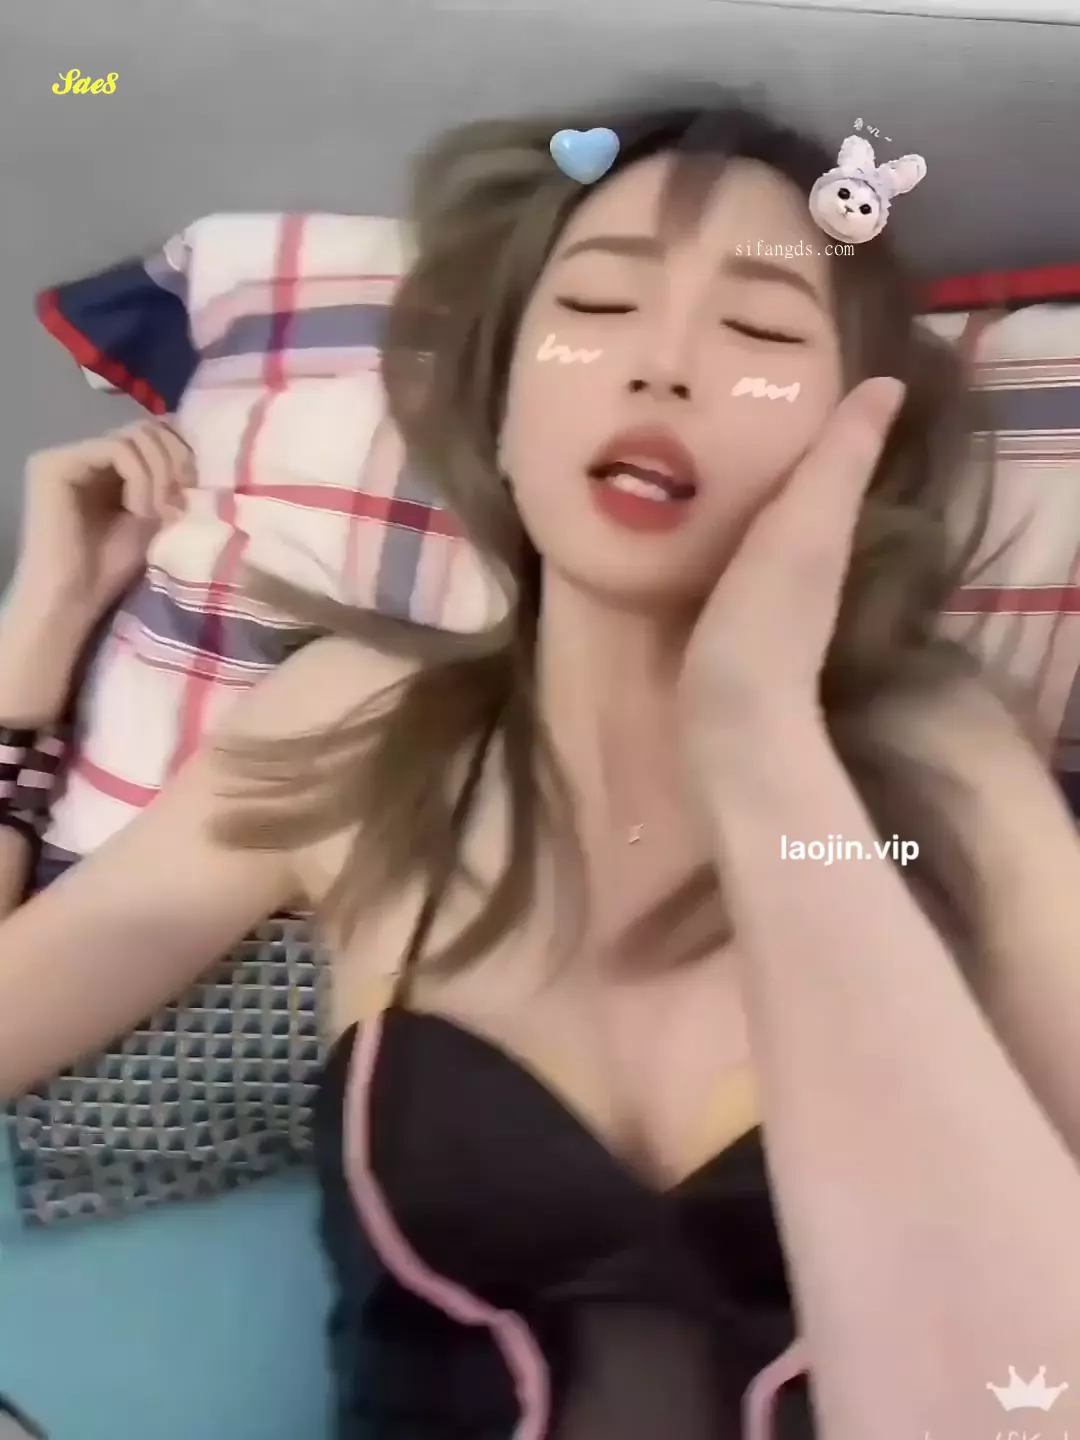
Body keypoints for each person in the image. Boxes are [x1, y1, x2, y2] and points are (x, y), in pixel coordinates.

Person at [1, 93, 1079, 1440]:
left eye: (757, 332)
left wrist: (758, 725)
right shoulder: (358, 730)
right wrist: (35, 643)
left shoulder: (936, 759)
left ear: (851, 454)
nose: (662, 368)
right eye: (596, 309)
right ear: (501, 410)